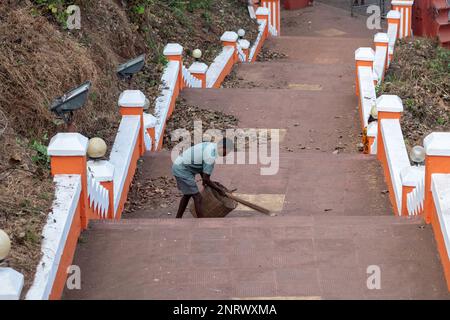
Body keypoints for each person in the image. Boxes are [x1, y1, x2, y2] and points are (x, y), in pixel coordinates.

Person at [172, 138, 234, 218]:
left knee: (187, 194)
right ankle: (202, 222)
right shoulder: (211, 156)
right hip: (182, 170)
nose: (226, 154)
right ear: (222, 147)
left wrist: (207, 182)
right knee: (198, 197)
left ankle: (178, 217)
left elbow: (202, 168)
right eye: (227, 151)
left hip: (181, 166)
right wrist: (219, 190)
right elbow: (206, 179)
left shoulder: (211, 145)